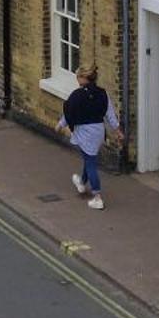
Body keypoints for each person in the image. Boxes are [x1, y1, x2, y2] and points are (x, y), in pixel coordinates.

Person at [57, 65, 121, 210]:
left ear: (84, 78)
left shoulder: (77, 95)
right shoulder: (102, 93)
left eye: (78, 76)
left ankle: (97, 197)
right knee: (89, 157)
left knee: (91, 163)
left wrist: (60, 125)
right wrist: (117, 130)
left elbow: (69, 112)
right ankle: (81, 182)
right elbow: (110, 114)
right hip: (98, 131)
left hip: (84, 132)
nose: (77, 79)